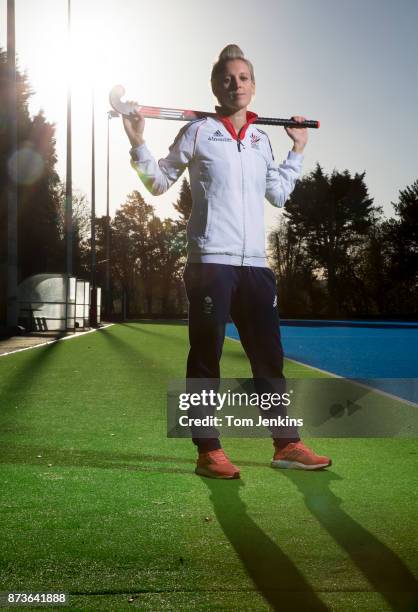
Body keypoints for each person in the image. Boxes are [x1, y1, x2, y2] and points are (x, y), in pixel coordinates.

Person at [123, 44, 332, 479]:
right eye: (227, 78)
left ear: (253, 86)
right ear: (215, 85)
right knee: (205, 358)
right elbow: (158, 183)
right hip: (210, 264)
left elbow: (277, 194)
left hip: (255, 266)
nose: (235, 84)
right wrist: (138, 141)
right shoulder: (197, 132)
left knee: (269, 359)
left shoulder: (261, 139)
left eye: (243, 78)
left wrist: (296, 151)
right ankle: (207, 450)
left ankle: (286, 443)